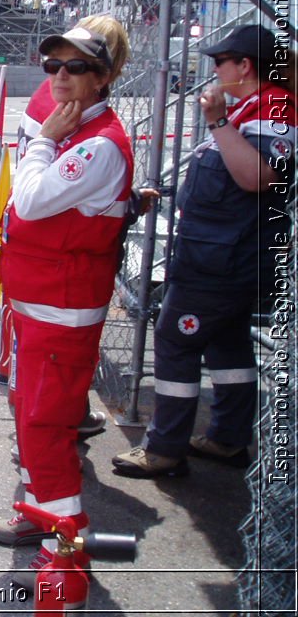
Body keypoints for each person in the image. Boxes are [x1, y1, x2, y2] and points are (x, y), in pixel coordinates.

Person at [113, 25, 296, 478]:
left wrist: (217, 121)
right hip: (223, 256)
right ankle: (227, 440)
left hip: (222, 261)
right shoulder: (254, 108)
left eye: (220, 62)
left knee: (175, 339)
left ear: (244, 66)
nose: (213, 70)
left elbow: (258, 178)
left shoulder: (274, 108)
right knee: (225, 340)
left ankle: (164, 448)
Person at [0, 23, 134, 590]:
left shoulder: (94, 144)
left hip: (60, 314)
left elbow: (28, 199)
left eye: (76, 68)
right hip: (37, 308)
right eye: (54, 67)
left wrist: (43, 143)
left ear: (102, 79)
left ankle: (67, 569)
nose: (62, 77)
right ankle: (39, 518)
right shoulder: (76, 131)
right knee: (30, 422)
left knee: (47, 430)